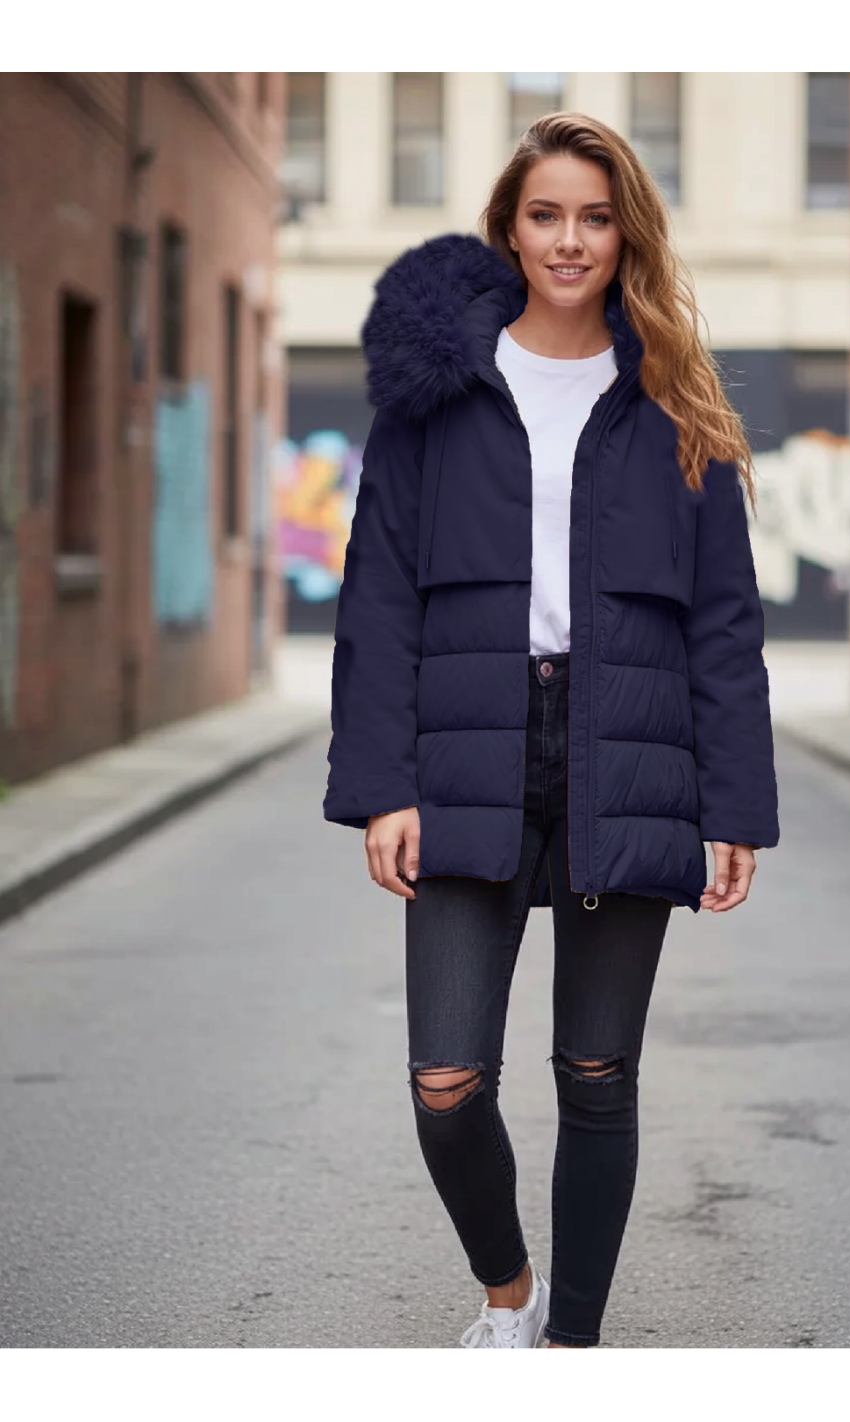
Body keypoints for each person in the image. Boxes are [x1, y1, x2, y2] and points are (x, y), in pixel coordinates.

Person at [324, 111, 779, 1349]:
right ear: (508, 230)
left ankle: (572, 1347)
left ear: (625, 232)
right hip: (464, 747)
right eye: (544, 215)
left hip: (626, 746)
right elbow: (377, 597)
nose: (569, 240)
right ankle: (509, 1294)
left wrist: (733, 807)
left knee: (595, 1073)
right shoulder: (433, 393)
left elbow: (723, 624)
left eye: (593, 216)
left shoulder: (674, 398)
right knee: (445, 1081)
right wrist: (382, 785)